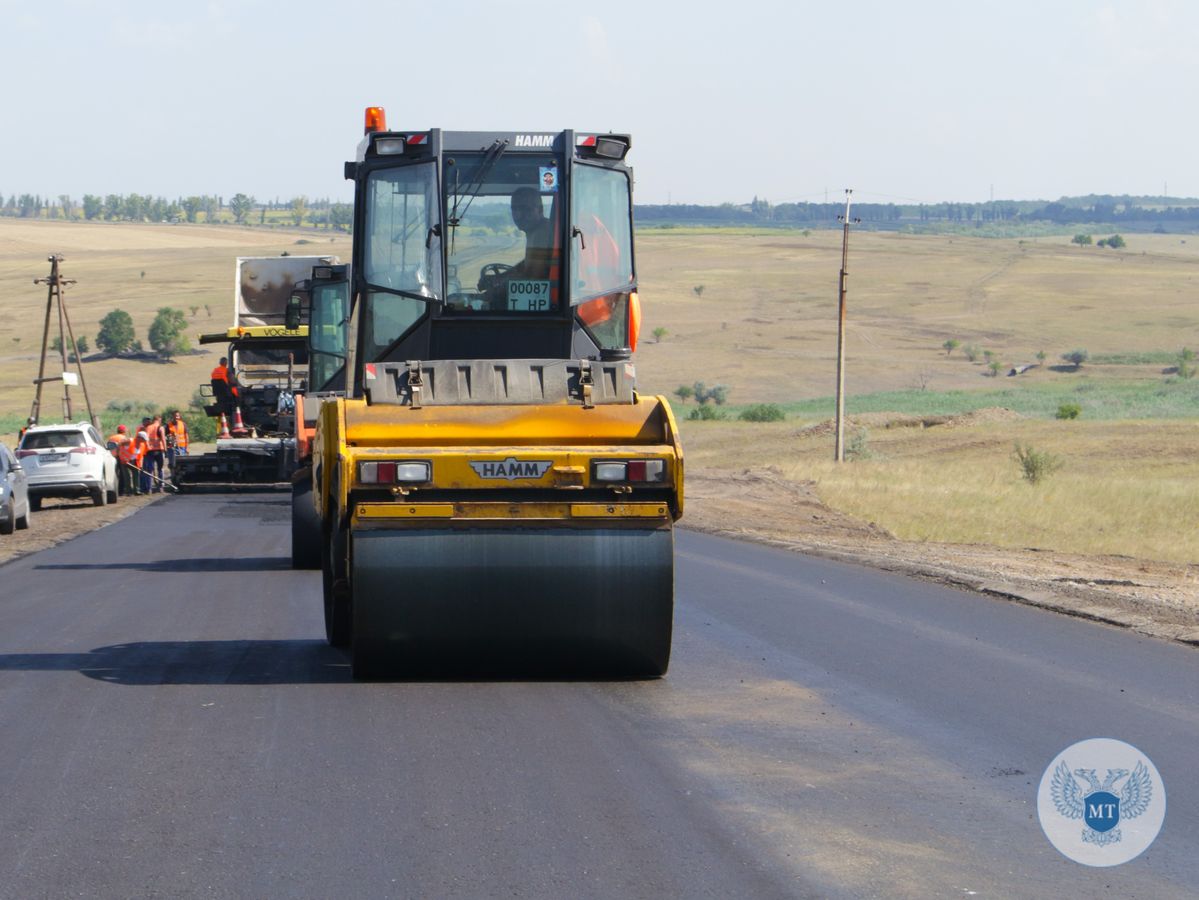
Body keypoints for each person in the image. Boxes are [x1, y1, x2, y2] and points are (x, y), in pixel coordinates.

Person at [143, 414, 167, 493]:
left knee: (149, 470)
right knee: (160, 469)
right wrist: (165, 449)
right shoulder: (161, 427)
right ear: (159, 419)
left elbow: (146, 439)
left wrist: (148, 447)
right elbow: (163, 439)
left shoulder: (148, 427)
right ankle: (161, 487)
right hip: (159, 450)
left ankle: (149, 488)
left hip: (150, 451)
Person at [114, 425, 138, 496]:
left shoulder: (112, 437)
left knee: (118, 474)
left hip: (112, 457)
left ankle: (121, 490)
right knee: (125, 474)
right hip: (123, 458)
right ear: (124, 431)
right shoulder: (124, 438)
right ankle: (129, 490)